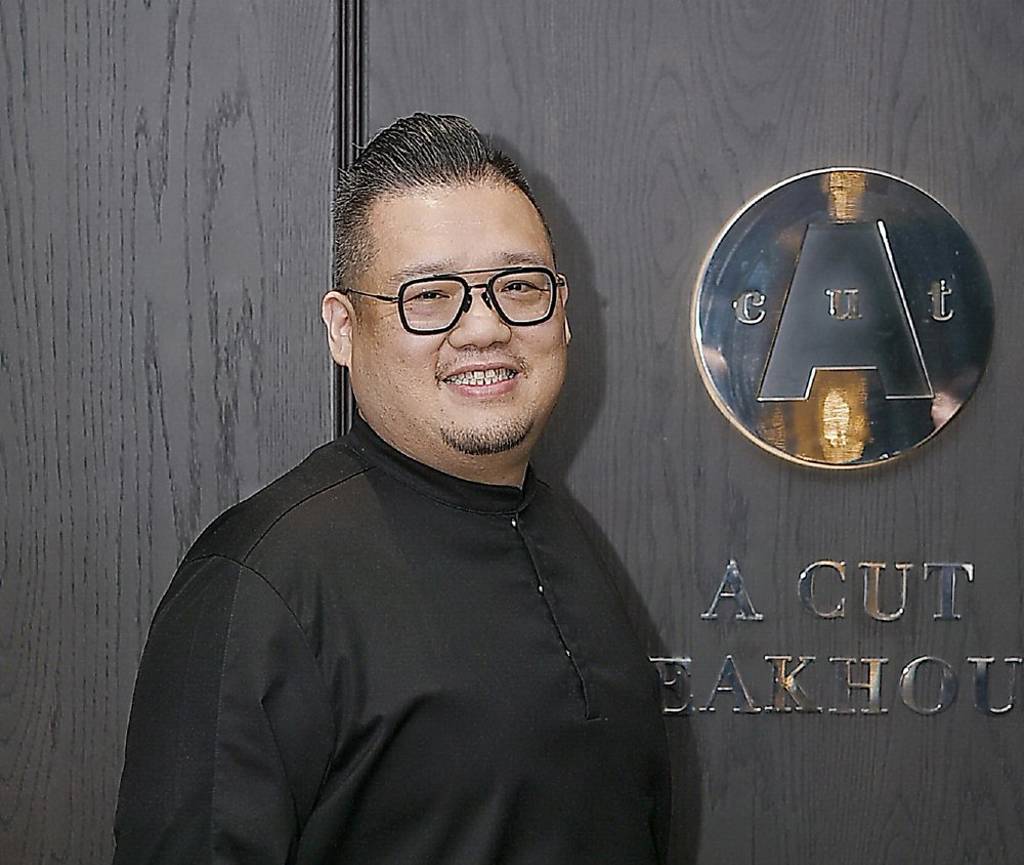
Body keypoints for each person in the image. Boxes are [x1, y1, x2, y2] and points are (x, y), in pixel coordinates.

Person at [113, 112, 670, 864]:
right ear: (343, 329)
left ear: (562, 312)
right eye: (430, 295)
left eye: (518, 286)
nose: (484, 329)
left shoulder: (558, 531)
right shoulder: (262, 583)